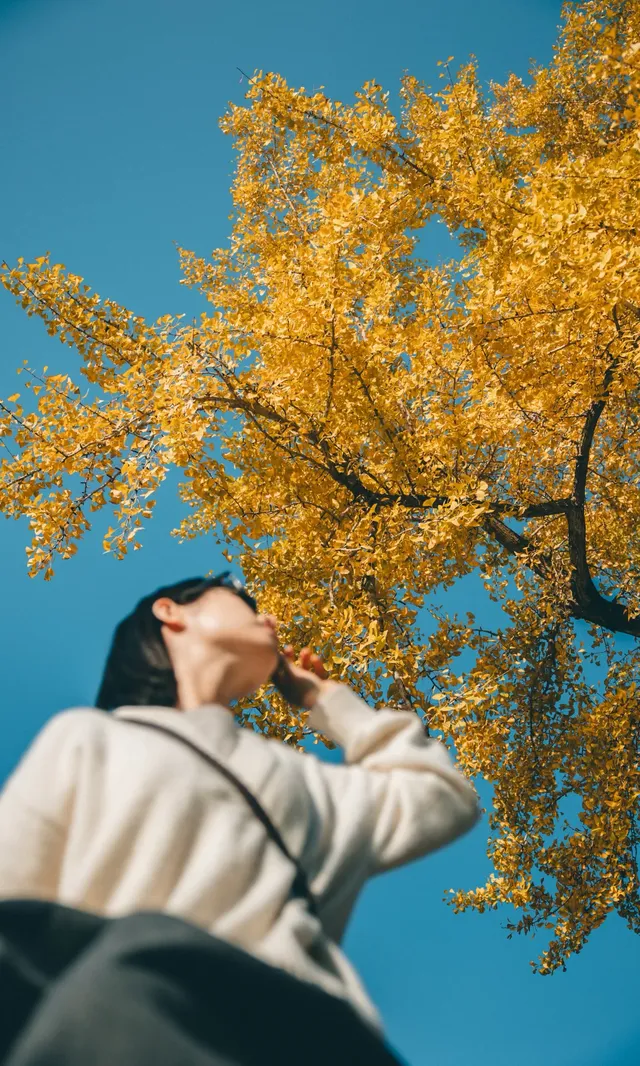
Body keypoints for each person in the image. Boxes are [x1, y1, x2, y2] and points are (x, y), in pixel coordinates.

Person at [0, 571, 481, 1065]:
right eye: (242, 597)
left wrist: (328, 701)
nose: (268, 617)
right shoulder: (90, 738)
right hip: (124, 1030)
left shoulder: (300, 779)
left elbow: (439, 795)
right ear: (171, 611)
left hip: (307, 1034)